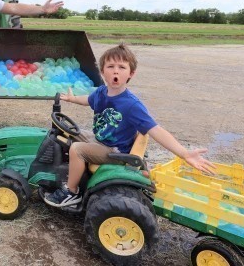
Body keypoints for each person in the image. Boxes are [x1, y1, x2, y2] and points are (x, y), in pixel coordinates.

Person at [43, 43, 216, 207]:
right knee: (66, 133)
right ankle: (73, 174)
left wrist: (184, 153)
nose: (115, 71)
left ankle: (72, 192)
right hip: (100, 140)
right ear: (102, 71)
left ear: (131, 73)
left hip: (116, 151)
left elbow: (156, 130)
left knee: (77, 150)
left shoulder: (131, 105)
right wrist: (73, 99)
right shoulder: (102, 92)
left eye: (121, 67)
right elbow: (88, 100)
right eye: (110, 67)